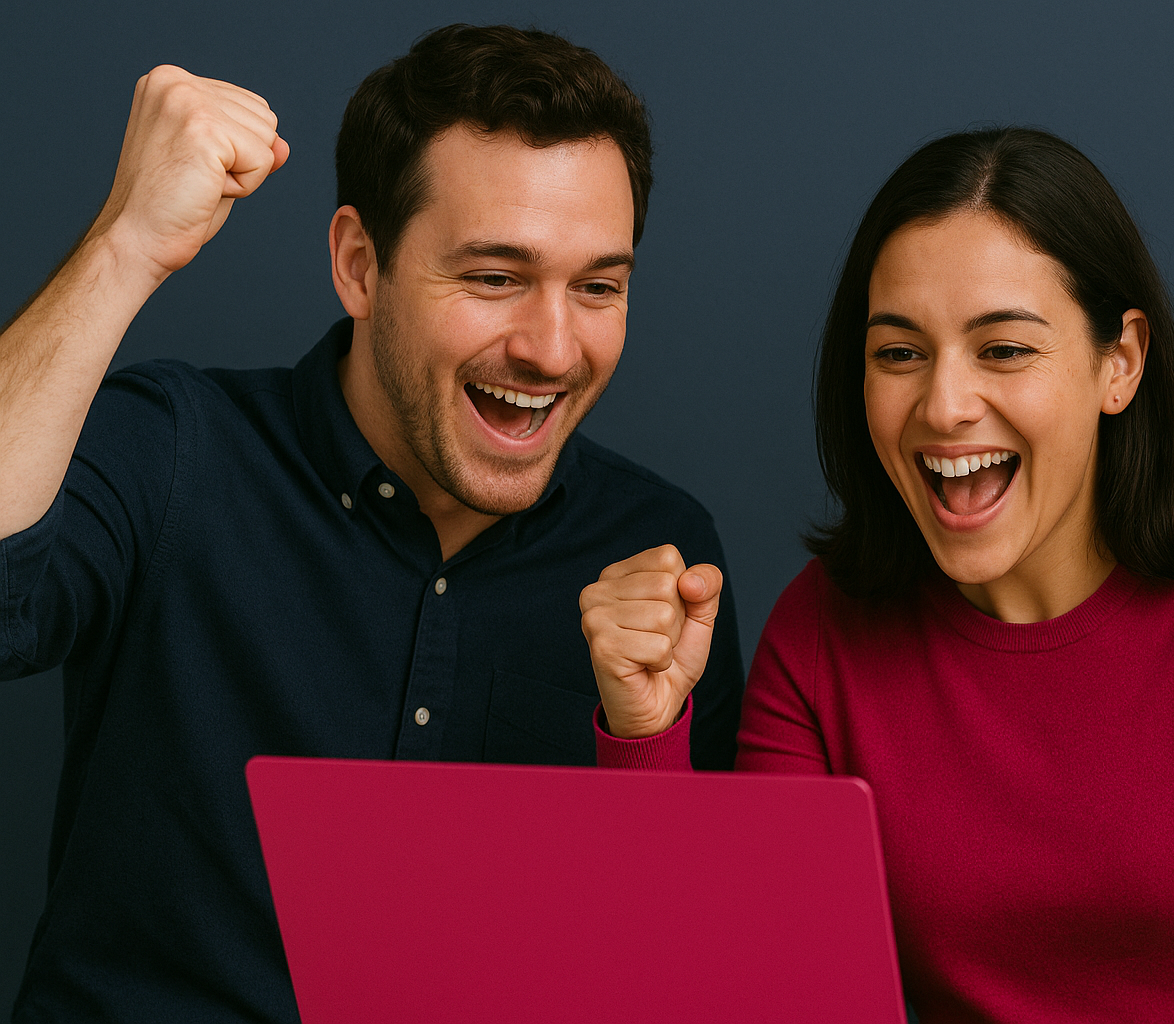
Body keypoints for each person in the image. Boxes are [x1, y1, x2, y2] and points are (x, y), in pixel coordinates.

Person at [580, 127, 1174, 1023]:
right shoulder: (824, 632)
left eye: (1004, 349)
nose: (944, 405)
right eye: (900, 353)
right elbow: (754, 990)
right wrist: (645, 735)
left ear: (1120, 363)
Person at [0, 23, 742, 1023]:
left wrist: (641, 741)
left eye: (598, 287)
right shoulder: (175, 446)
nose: (553, 348)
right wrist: (124, 245)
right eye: (493, 278)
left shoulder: (662, 550)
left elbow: (676, 967)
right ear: (359, 264)